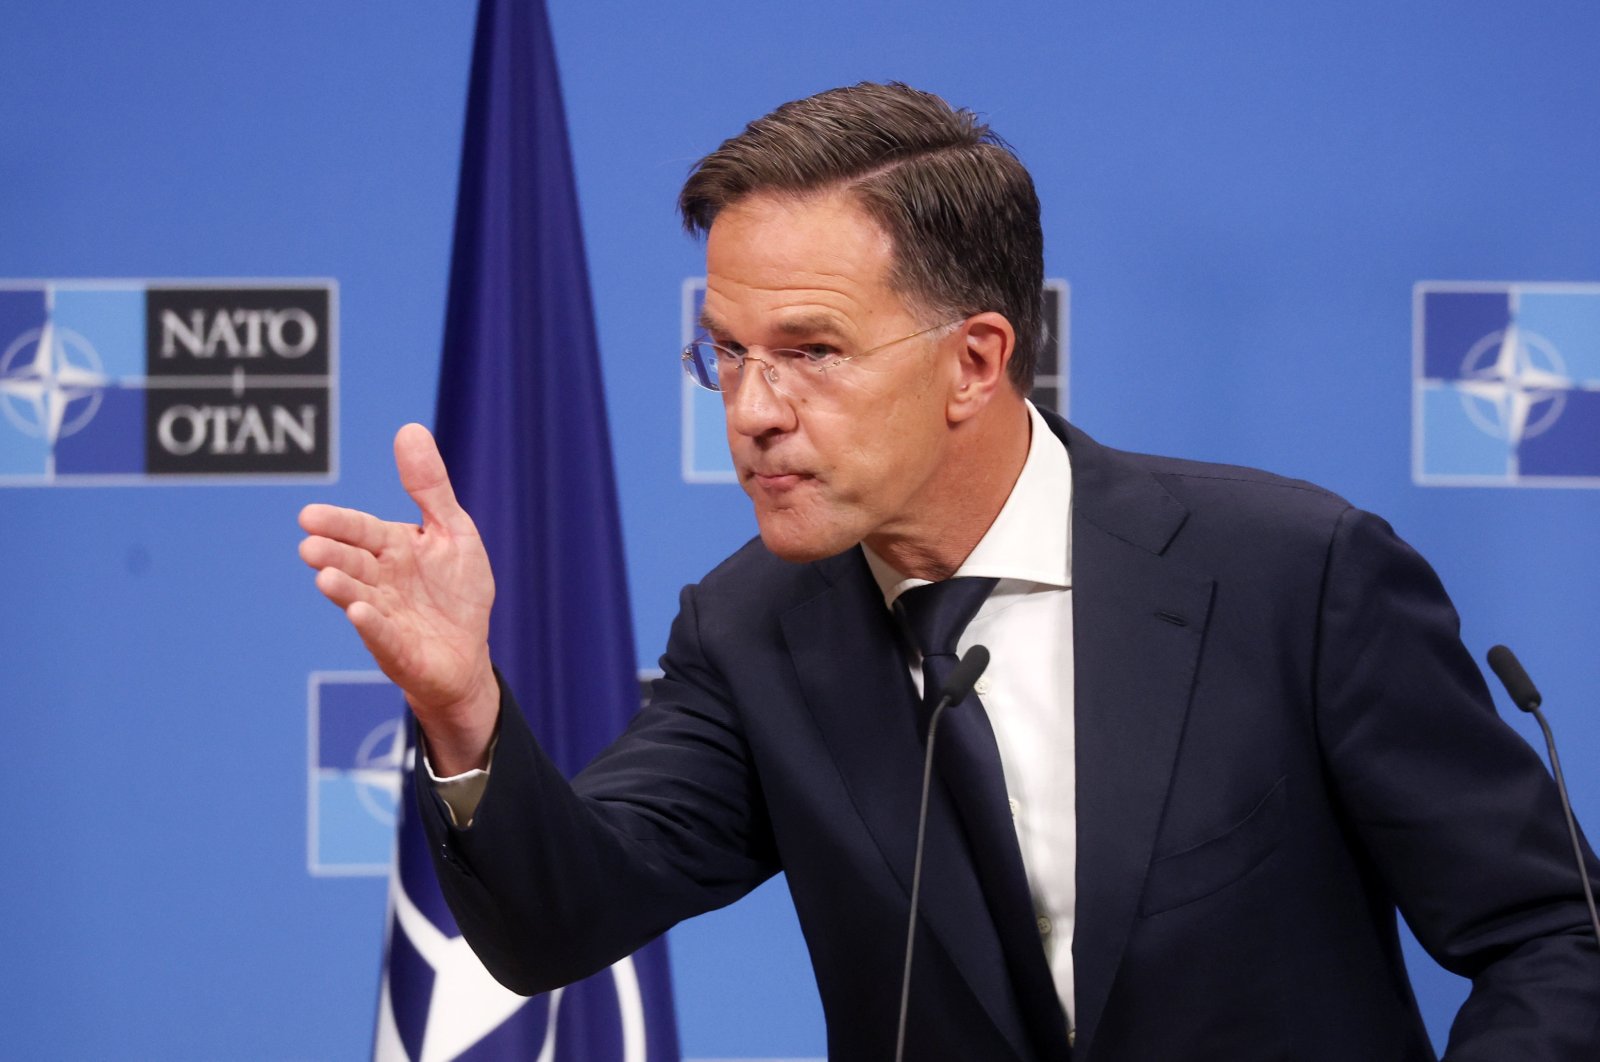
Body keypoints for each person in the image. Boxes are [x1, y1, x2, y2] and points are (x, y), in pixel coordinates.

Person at [298, 83, 1600, 1061]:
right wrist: (466, 709)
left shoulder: (1294, 576)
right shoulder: (753, 631)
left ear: (975, 360)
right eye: (726, 353)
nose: (751, 410)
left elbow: (1553, 938)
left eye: (810, 350)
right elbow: (555, 920)